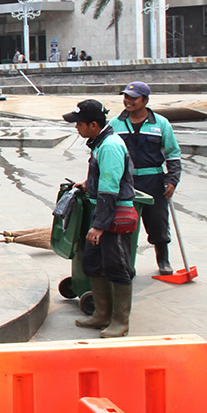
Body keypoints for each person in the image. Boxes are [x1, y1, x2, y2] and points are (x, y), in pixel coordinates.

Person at [63, 99, 136, 338]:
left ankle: (120, 321)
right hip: (101, 210)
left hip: (113, 214)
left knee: (117, 267)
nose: (77, 128)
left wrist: (99, 225)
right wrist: (86, 185)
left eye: (79, 124)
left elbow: (110, 188)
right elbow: (101, 179)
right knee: (93, 265)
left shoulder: (111, 146)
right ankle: (102, 314)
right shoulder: (100, 143)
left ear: (94, 125)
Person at [108, 81, 181, 275]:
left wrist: (172, 179)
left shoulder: (161, 123)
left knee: (158, 221)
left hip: (153, 179)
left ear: (145, 100)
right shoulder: (115, 123)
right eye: (126, 97)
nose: (128, 101)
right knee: (124, 221)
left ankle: (163, 259)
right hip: (126, 180)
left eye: (133, 98)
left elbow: (173, 153)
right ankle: (125, 263)